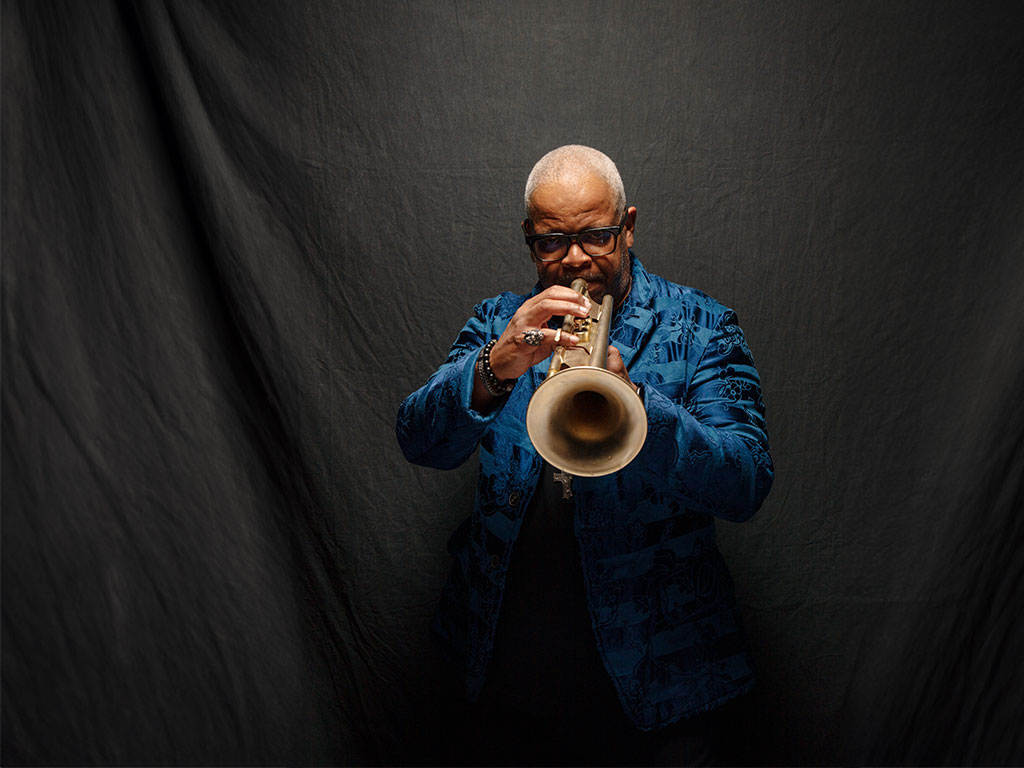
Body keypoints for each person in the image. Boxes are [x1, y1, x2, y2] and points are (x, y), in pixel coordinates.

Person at [396, 145, 773, 766]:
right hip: (505, 679)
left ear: (627, 227)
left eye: (596, 236)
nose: (575, 260)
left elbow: (746, 482)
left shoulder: (703, 326)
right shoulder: (500, 322)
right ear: (529, 239)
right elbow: (418, 439)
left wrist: (638, 408)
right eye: (552, 242)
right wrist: (498, 364)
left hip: (661, 688)